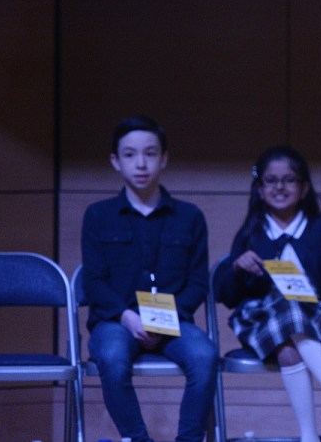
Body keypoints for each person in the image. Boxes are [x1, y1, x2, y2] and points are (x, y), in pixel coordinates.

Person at [215, 145, 321, 442]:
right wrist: (237, 268)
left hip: (316, 321)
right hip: (262, 320)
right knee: (286, 307)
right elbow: (225, 294)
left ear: (304, 188)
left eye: (289, 180)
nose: (279, 187)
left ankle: (309, 437)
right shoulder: (253, 231)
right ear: (259, 189)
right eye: (270, 181)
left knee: (289, 347)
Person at [80, 115, 218, 442]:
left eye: (150, 153)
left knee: (204, 356)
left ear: (164, 158)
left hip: (174, 321)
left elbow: (197, 282)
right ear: (115, 161)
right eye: (129, 155)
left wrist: (164, 320)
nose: (141, 163)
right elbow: (95, 282)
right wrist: (128, 317)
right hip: (116, 320)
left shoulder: (190, 217)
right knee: (112, 357)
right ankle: (138, 439)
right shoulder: (98, 215)